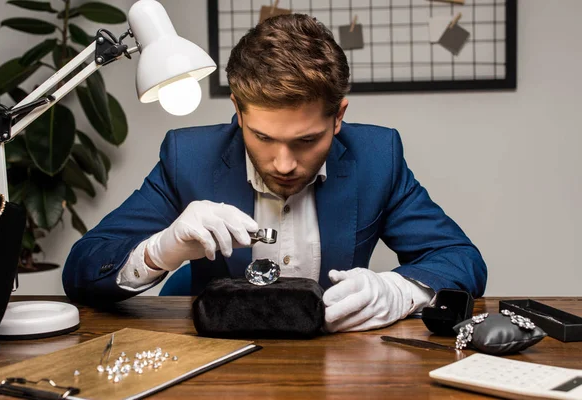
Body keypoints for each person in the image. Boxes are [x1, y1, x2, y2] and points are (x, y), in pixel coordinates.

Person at [63, 14, 486, 332]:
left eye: (306, 141)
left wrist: (400, 292)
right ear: (237, 111)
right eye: (263, 138)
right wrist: (161, 249)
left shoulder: (378, 157)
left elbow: (463, 261)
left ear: (338, 117)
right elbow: (82, 270)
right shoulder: (188, 156)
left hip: (336, 365)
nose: (283, 164)